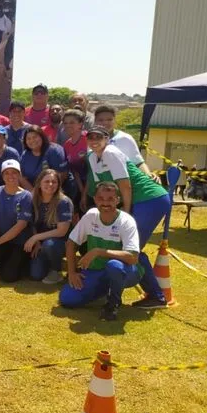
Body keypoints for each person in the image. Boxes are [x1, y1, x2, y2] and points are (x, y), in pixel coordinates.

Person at [84, 126, 170, 309]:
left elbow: (125, 187)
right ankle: (151, 293)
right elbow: (103, 186)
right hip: (140, 201)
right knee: (131, 249)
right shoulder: (92, 157)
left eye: (99, 137)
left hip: (150, 199)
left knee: (131, 250)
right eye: (90, 137)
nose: (94, 140)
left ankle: (155, 296)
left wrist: (126, 213)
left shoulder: (111, 153)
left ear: (107, 139)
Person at [59, 182, 143, 321]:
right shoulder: (90, 216)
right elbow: (71, 243)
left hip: (125, 271)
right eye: (101, 198)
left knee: (114, 266)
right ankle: (104, 289)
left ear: (118, 200)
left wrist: (98, 251)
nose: (105, 203)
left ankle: (113, 304)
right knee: (67, 299)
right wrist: (72, 272)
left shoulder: (126, 221)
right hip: (95, 270)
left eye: (110, 199)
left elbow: (133, 257)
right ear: (95, 199)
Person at [0, 160, 33, 283]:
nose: (10, 176)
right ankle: (3, 263)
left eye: (14, 173)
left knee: (8, 277)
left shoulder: (26, 196)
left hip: (18, 243)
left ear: (19, 175)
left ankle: (19, 263)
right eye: (6, 173)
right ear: (2, 176)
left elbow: (21, 224)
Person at [24, 169, 73, 283]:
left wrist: (36, 238)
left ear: (58, 184)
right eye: (46, 181)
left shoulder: (63, 202)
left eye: (54, 182)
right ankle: (47, 262)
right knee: (36, 275)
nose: (50, 184)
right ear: (39, 183)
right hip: (41, 242)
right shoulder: (33, 199)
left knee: (50, 244)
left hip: (60, 242)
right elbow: (31, 225)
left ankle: (56, 271)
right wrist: (36, 242)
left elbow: (62, 231)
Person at [93, 104, 157, 179]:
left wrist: (149, 175)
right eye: (100, 120)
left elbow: (138, 163)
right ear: (95, 121)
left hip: (125, 183)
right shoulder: (89, 140)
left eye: (109, 120)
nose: (105, 123)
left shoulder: (125, 138)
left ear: (115, 120)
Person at [19, 125, 69, 191]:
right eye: (28, 138)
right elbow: (22, 178)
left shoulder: (55, 150)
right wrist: (33, 193)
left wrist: (46, 192)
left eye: (35, 137)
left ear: (42, 136)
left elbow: (62, 174)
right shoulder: (25, 154)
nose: (32, 140)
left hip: (55, 190)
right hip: (34, 192)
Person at [61, 109, 89, 212]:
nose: (68, 125)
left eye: (72, 122)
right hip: (80, 186)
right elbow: (75, 171)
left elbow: (93, 169)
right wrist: (82, 193)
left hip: (95, 184)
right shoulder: (67, 145)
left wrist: (85, 194)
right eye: (65, 123)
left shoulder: (88, 138)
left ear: (80, 124)